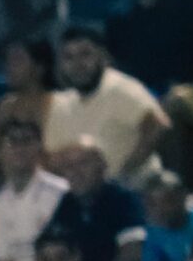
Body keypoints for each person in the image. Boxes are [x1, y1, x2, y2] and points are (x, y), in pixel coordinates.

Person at [46, 23, 171, 185]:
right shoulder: (60, 104)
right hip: (87, 193)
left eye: (85, 54)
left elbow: (157, 125)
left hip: (136, 189)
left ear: (102, 56)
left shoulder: (119, 87)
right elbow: (53, 156)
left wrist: (125, 173)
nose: (78, 64)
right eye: (68, 57)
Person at [44, 138, 146, 261]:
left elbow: (132, 253)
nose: (75, 172)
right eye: (69, 166)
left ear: (102, 166)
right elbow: (47, 247)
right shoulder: (67, 202)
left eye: (83, 163)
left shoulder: (123, 199)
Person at [0, 118, 69, 261]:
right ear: (0, 150)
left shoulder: (61, 192)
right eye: (12, 142)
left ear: (39, 147)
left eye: (27, 141)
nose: (20, 148)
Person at [0, 39, 58, 186]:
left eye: (17, 60)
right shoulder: (5, 106)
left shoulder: (57, 104)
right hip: (10, 185)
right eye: (7, 61)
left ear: (39, 67)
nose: (8, 67)